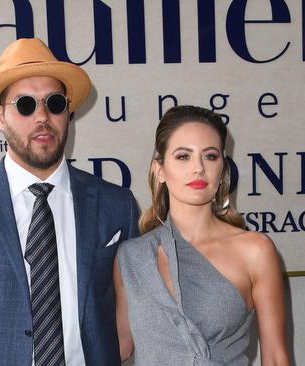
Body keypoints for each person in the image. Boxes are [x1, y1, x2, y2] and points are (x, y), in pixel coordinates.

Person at [0, 38, 139, 366]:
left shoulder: (116, 205)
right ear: (0, 116)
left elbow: (136, 317)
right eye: (25, 105)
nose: (42, 117)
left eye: (55, 103)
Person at [114, 105, 289, 365]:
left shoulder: (255, 251)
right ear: (159, 170)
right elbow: (121, 345)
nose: (198, 168)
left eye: (210, 156)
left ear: (223, 170)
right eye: (183, 156)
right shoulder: (132, 257)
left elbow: (275, 358)